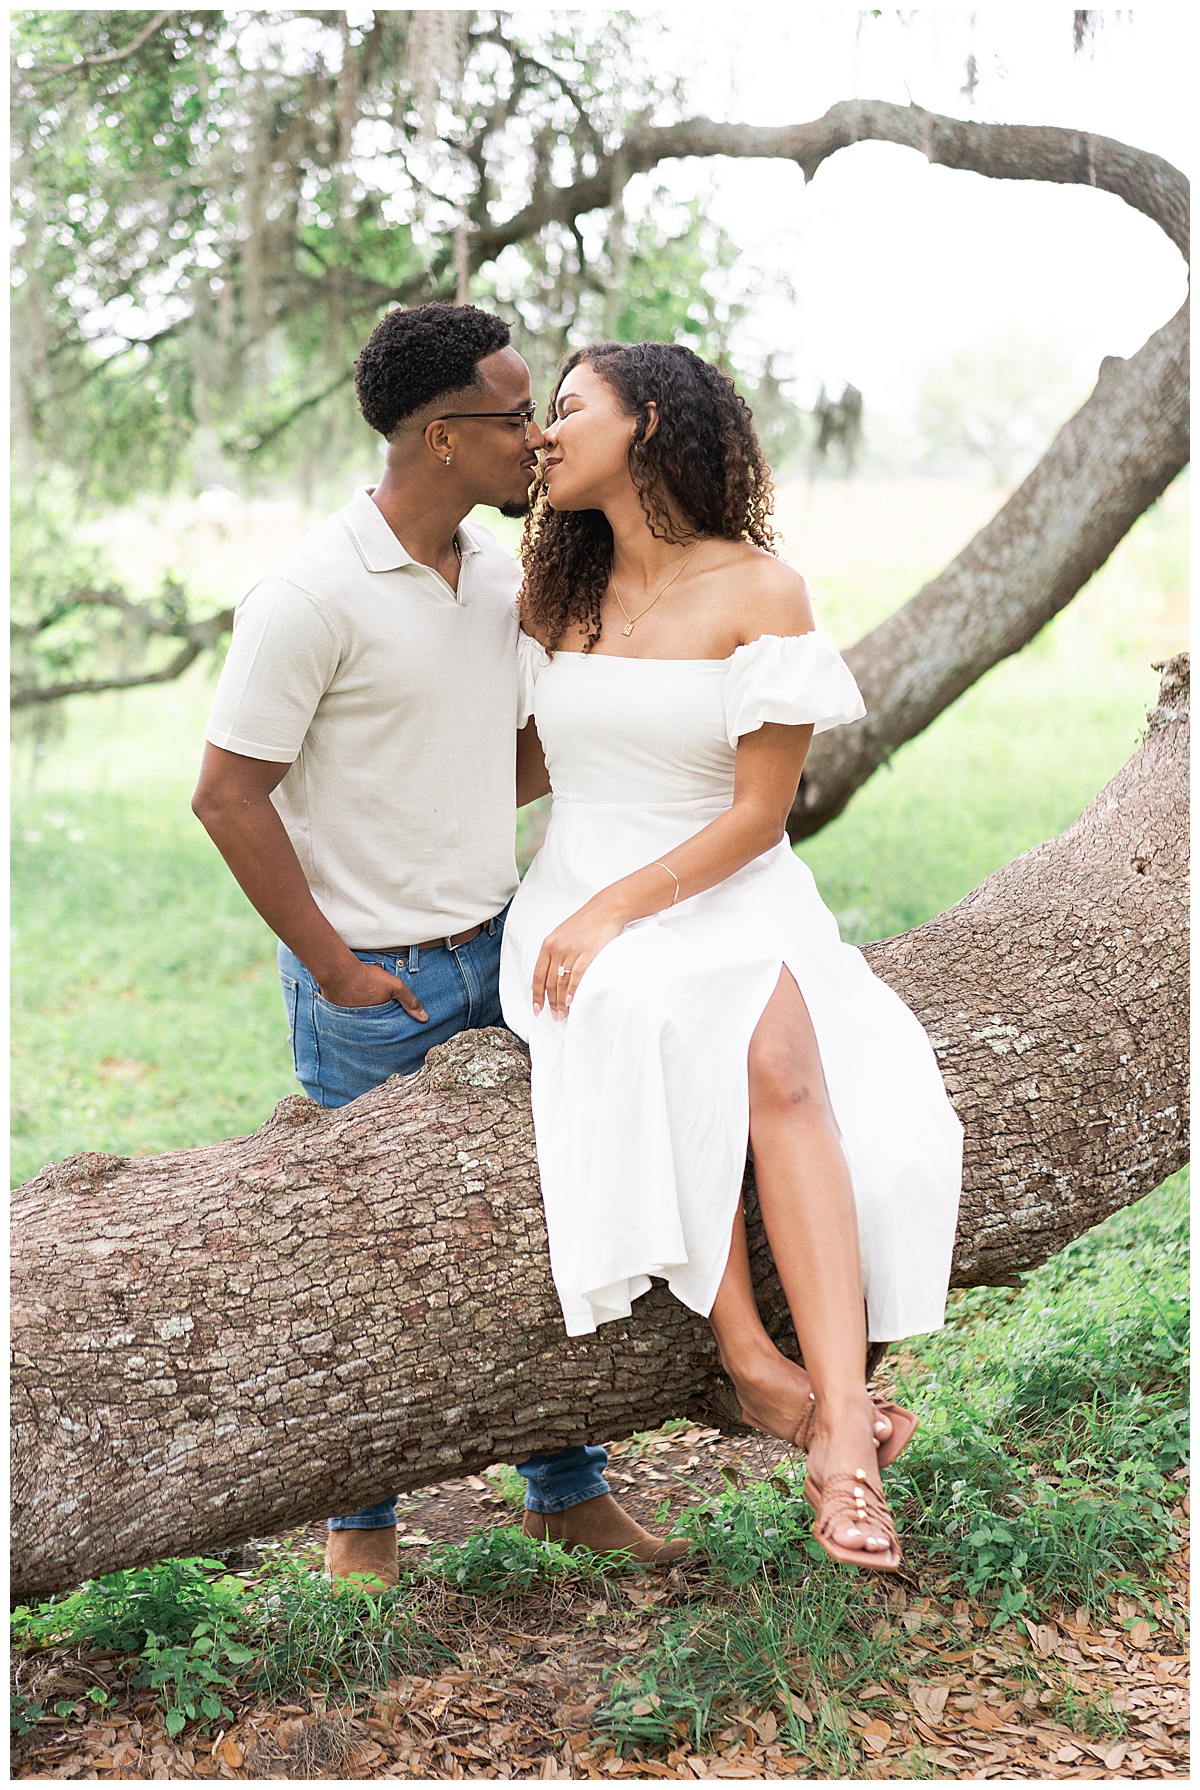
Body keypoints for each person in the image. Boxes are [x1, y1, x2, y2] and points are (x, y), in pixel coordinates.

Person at [192, 302, 686, 1588]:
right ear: (443, 436)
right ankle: (363, 1524)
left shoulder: (498, 581)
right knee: (365, 1251)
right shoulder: (308, 594)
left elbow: (513, 748)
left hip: (504, 953)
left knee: (537, 1215)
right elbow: (227, 796)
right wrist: (344, 969)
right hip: (375, 983)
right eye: (517, 414)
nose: (537, 436)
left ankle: (565, 1487)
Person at [499, 341, 964, 1572]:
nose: (545, 433)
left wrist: (625, 908)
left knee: (781, 1061)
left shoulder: (764, 590)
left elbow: (762, 813)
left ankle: (832, 1430)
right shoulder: (552, 593)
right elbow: (518, 769)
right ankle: (758, 1364)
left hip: (727, 883)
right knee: (656, 1016)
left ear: (647, 421)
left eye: (569, 408)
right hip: (572, 889)